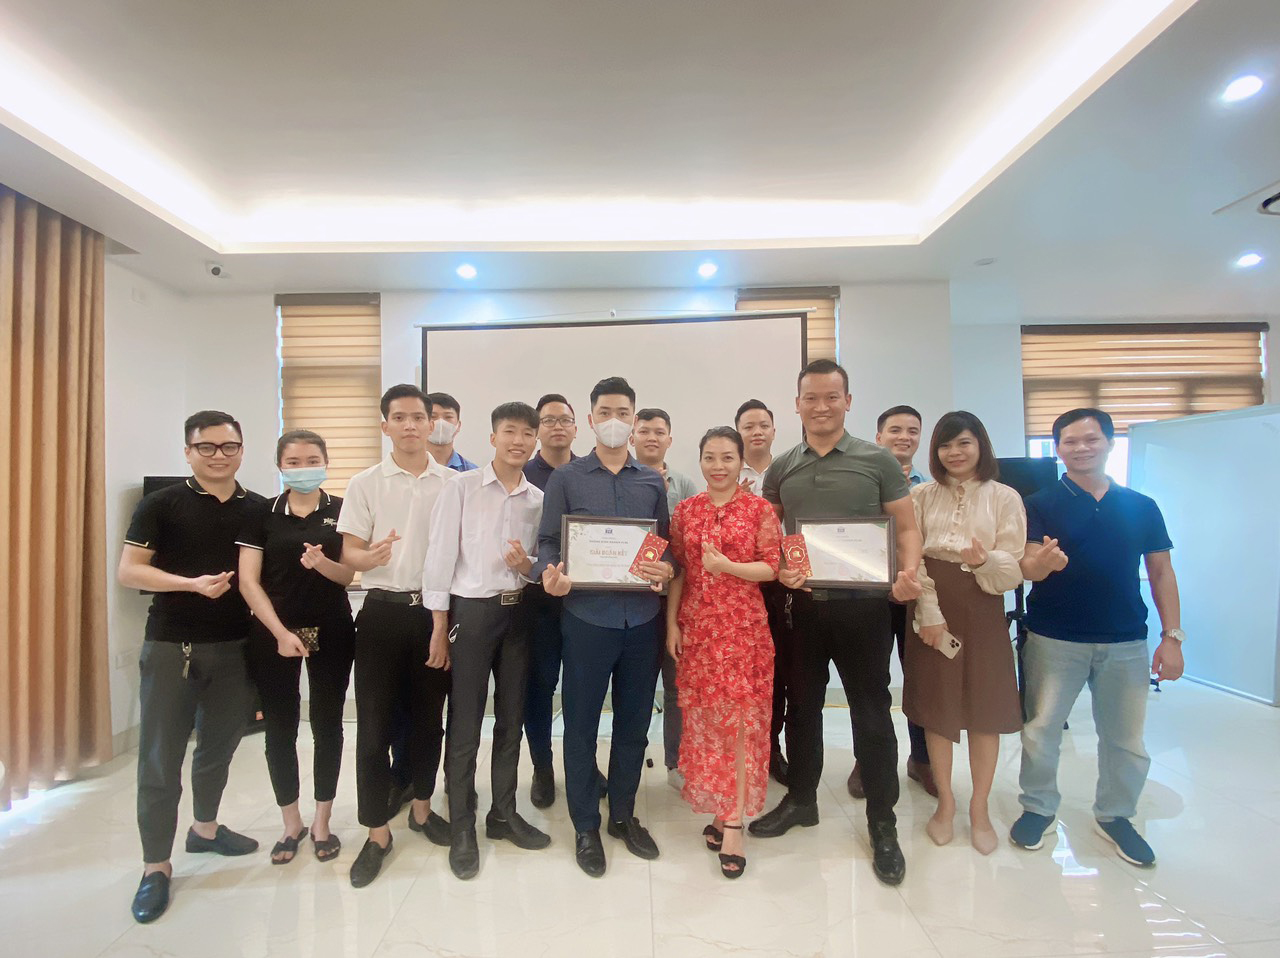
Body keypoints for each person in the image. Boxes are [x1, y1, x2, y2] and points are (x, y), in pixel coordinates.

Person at [748, 360, 923, 888]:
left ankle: (882, 822)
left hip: (864, 608)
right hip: (802, 608)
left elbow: (906, 527)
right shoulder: (782, 467)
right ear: (797, 404)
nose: (821, 407)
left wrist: (908, 572)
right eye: (811, 398)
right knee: (802, 708)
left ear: (848, 401)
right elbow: (769, 536)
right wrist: (780, 564)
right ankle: (802, 800)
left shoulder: (878, 460)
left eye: (831, 397)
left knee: (872, 713)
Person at [1011, 408, 1184, 866]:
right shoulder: (1039, 503)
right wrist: (1041, 564)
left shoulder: (1141, 506)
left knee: (1125, 739)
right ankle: (1037, 807)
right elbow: (1027, 565)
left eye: (1091, 439)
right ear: (1058, 449)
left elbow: (1161, 572)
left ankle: (1116, 815)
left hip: (1125, 640)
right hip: (1053, 637)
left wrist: (1172, 637)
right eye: (1070, 441)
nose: (1081, 448)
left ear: (1109, 443)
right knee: (1041, 730)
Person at [117, 410, 268, 923]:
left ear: (242, 450)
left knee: (219, 748)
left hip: (234, 649)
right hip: (171, 647)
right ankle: (155, 866)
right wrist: (191, 585)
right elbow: (129, 571)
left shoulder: (258, 508)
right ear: (188, 452)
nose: (219, 456)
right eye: (207, 447)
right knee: (160, 760)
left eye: (229, 446)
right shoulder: (160, 504)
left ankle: (205, 829)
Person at [535, 376, 675, 878]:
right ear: (591, 419)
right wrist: (548, 573)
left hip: (642, 621)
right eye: (605, 412)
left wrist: (665, 569)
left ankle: (622, 815)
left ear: (633, 421)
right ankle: (585, 826)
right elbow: (548, 542)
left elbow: (664, 547)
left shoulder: (651, 482)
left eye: (623, 412)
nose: (614, 420)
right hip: (587, 620)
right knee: (580, 725)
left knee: (634, 726)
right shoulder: (566, 478)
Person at [424, 402, 552, 879]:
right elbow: (439, 557)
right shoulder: (461, 488)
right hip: (472, 614)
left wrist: (529, 568)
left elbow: (540, 563)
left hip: (518, 614)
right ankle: (462, 826)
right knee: (465, 723)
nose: (519, 441)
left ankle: (503, 813)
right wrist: (439, 627)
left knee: (512, 719)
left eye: (527, 433)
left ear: (535, 441)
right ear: (493, 437)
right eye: (510, 432)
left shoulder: (538, 499)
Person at [338, 384, 453, 888]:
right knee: (374, 728)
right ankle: (377, 832)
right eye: (400, 417)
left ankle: (422, 810)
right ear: (384, 425)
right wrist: (370, 556)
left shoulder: (453, 484)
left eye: (418, 417)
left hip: (434, 615)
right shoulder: (365, 483)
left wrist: (442, 626)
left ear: (432, 424)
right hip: (381, 614)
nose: (410, 425)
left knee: (429, 723)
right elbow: (349, 554)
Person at [902, 411, 1026, 854]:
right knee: (939, 709)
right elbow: (911, 556)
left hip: (983, 603)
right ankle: (946, 804)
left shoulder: (1005, 497)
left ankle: (979, 808)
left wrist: (985, 561)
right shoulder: (919, 495)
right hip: (931, 602)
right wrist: (929, 613)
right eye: (945, 445)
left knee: (983, 710)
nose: (954, 452)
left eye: (964, 443)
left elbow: (1012, 568)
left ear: (981, 446)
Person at [236, 430, 355, 865]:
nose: (304, 468)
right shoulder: (260, 514)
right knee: (280, 728)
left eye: (312, 460)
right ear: (280, 465)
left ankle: (322, 821)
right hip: (274, 633)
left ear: (325, 462)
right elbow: (248, 581)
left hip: (333, 629)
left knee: (328, 724)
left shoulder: (343, 510)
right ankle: (291, 824)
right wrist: (279, 632)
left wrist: (323, 564)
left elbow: (348, 576)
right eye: (294, 461)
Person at [667, 426, 781, 879]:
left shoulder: (758, 509)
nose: (718, 466)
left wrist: (727, 566)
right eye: (710, 457)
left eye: (727, 458)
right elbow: (680, 570)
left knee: (740, 724)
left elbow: (772, 567)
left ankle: (733, 822)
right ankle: (721, 808)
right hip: (699, 629)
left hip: (742, 629)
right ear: (700, 461)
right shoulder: (686, 510)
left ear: (740, 462)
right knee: (710, 723)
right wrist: (672, 623)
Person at [521, 393, 604, 809]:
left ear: (577, 427)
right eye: (548, 420)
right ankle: (542, 766)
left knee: (583, 691)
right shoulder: (520, 473)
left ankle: (584, 766)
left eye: (564, 420)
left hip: (586, 602)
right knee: (539, 688)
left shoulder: (591, 472)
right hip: (537, 602)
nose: (557, 426)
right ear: (538, 428)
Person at [849, 404, 936, 800]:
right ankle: (867, 761)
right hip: (870, 597)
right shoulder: (862, 482)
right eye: (895, 430)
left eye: (912, 431)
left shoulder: (932, 489)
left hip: (916, 596)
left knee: (920, 679)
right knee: (869, 683)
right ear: (878, 437)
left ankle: (922, 760)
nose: (904, 437)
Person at [630, 407, 699, 791]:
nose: (652, 437)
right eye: (644, 431)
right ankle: (630, 760)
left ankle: (677, 762)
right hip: (631, 602)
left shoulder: (685, 486)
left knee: (676, 687)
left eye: (659, 431)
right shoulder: (620, 480)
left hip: (675, 602)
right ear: (632, 437)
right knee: (636, 687)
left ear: (670, 439)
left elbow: (688, 550)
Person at [735, 399, 791, 785]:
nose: (756, 432)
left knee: (779, 673)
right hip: (739, 588)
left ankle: (772, 749)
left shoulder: (788, 469)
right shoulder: (724, 472)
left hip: (782, 584)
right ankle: (743, 750)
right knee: (744, 676)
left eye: (763, 425)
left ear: (773, 431)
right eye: (748, 426)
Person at [425, 391, 479, 472]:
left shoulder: (471, 472)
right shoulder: (407, 468)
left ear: (458, 426)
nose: (441, 422)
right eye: (433, 416)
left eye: (448, 417)